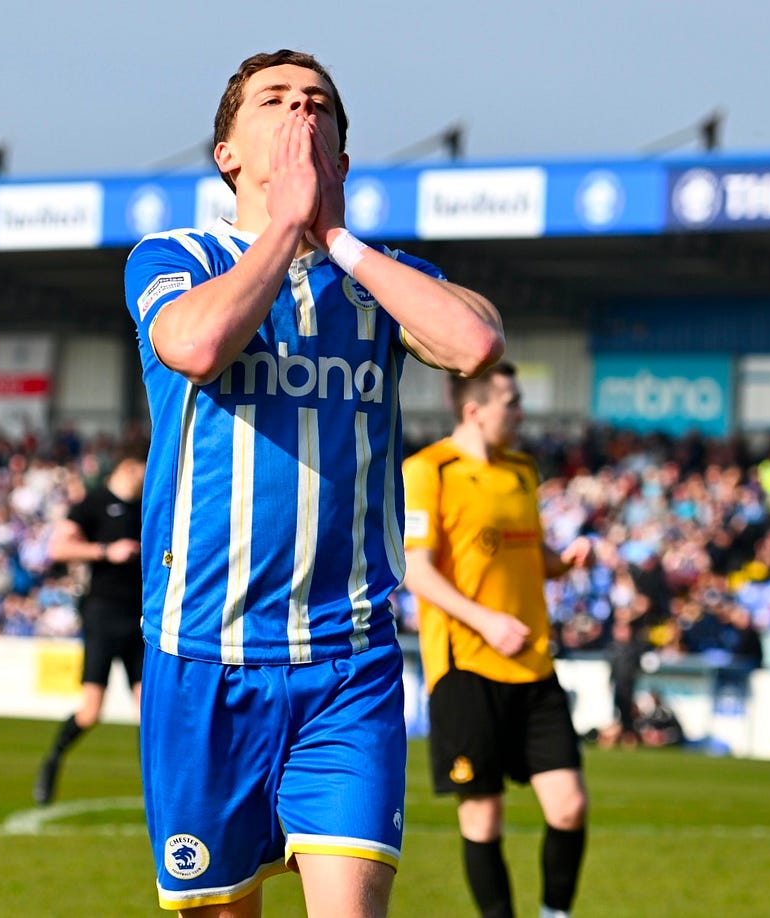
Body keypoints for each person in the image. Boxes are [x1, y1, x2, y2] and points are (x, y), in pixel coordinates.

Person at [123, 49, 504, 916]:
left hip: (348, 660)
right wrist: (282, 230)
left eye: (318, 103)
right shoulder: (175, 256)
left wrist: (333, 239)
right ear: (227, 153)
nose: (300, 110)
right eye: (274, 99)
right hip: (204, 656)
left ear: (341, 154)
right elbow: (195, 346)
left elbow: (477, 345)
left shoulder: (381, 279)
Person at [402, 362, 590, 918]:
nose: (522, 412)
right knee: (483, 817)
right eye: (512, 402)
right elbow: (416, 570)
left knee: (569, 806)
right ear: (474, 410)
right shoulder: (428, 470)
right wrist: (485, 621)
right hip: (466, 667)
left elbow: (528, 554)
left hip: (532, 664)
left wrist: (563, 562)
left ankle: (555, 914)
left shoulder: (523, 470)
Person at [32, 442, 146, 806]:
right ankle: (53, 760)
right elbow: (58, 548)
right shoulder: (93, 503)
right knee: (91, 710)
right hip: (103, 614)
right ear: (130, 467)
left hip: (141, 619)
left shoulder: (149, 503)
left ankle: (156, 790)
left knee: (149, 712)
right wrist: (105, 551)